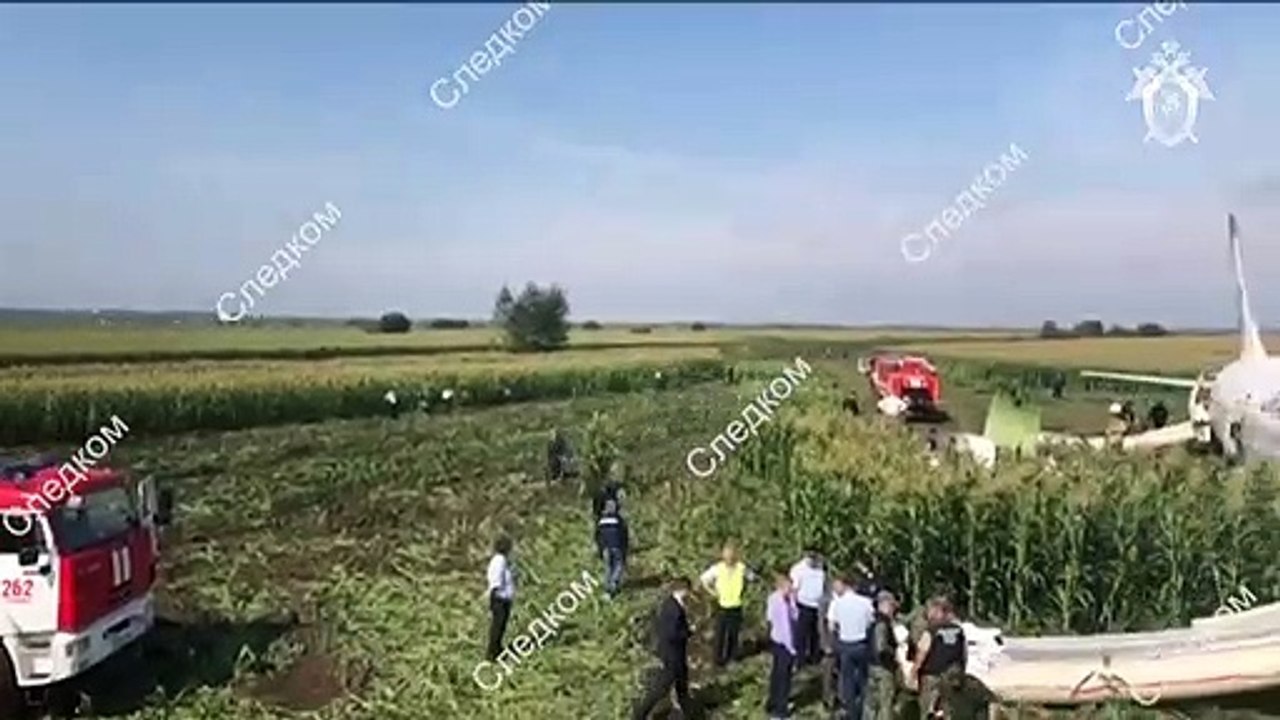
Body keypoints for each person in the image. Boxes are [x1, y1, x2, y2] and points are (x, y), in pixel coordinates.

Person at [633, 576, 695, 719]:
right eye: (688, 591)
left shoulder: (670, 603)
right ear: (683, 589)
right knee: (662, 687)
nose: (689, 594)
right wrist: (688, 631)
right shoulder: (674, 608)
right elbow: (672, 633)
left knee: (682, 679)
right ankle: (640, 713)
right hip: (672, 653)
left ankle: (686, 704)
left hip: (674, 652)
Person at [700, 542, 757, 667]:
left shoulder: (741, 568)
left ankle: (732, 656)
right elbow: (704, 579)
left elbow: (752, 577)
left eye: (731, 555)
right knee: (720, 633)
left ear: (735, 556)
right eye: (727, 556)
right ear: (723, 556)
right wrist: (713, 592)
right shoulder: (717, 568)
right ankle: (718, 659)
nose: (729, 558)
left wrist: (745, 589)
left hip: (736, 604)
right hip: (722, 605)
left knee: (733, 633)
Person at [827, 573, 875, 718]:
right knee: (862, 679)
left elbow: (831, 626)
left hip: (845, 644)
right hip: (861, 644)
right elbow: (870, 622)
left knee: (847, 679)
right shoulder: (866, 602)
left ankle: (850, 711)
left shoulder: (837, 603)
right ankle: (861, 709)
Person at [912, 597, 966, 720]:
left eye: (931, 611)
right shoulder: (959, 630)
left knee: (927, 711)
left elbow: (922, 652)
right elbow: (963, 654)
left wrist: (914, 672)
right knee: (948, 712)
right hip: (952, 677)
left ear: (938, 611)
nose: (929, 614)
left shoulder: (931, 630)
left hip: (931, 677)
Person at [765, 569, 799, 719]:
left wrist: (792, 600)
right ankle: (780, 710)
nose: (792, 588)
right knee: (784, 677)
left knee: (776, 674)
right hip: (784, 643)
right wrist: (792, 648)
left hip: (777, 641)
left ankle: (772, 703)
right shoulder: (780, 603)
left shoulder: (777, 598)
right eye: (789, 586)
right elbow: (786, 626)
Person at [863, 591, 899, 720]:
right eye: (892, 606)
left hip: (872, 665)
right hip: (883, 668)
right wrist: (894, 656)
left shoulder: (872, 620)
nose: (893, 610)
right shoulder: (882, 623)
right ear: (886, 605)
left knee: (871, 703)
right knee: (885, 703)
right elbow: (881, 647)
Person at [789, 548, 827, 666]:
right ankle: (800, 660)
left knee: (815, 634)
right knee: (801, 634)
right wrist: (793, 606)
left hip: (817, 605)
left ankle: (814, 658)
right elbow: (794, 589)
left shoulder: (820, 568)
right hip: (803, 604)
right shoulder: (798, 569)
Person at [485, 536, 516, 661]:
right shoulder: (500, 561)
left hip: (502, 598)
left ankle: (497, 649)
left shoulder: (503, 560)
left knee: (500, 625)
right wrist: (494, 596)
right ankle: (493, 652)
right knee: (497, 626)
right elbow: (496, 579)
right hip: (499, 598)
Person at [595, 499, 630, 597]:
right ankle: (613, 586)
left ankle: (607, 589)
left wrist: (600, 549)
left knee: (608, 568)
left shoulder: (601, 521)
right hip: (617, 546)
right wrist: (625, 547)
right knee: (618, 566)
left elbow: (597, 537)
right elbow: (624, 534)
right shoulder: (619, 520)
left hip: (606, 548)